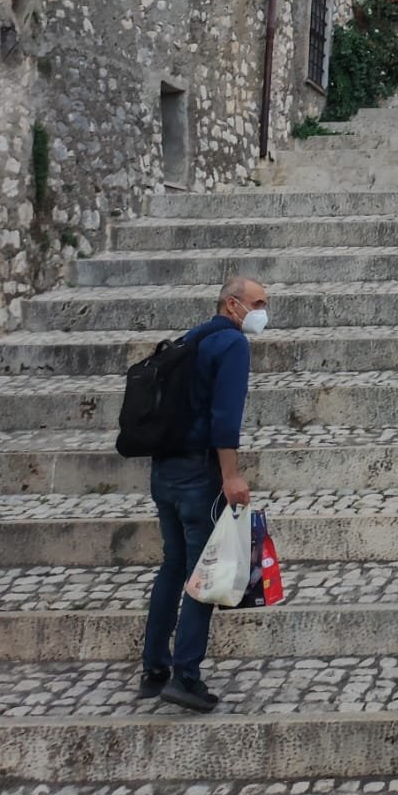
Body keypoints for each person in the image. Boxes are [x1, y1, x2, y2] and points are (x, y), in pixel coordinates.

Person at [140, 274, 267, 714]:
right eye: (258, 302)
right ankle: (186, 677)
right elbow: (225, 417)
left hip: (164, 470)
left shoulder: (190, 339)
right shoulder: (232, 345)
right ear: (232, 305)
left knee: (173, 565)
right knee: (203, 575)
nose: (262, 312)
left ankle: (154, 667)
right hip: (198, 472)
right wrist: (230, 476)